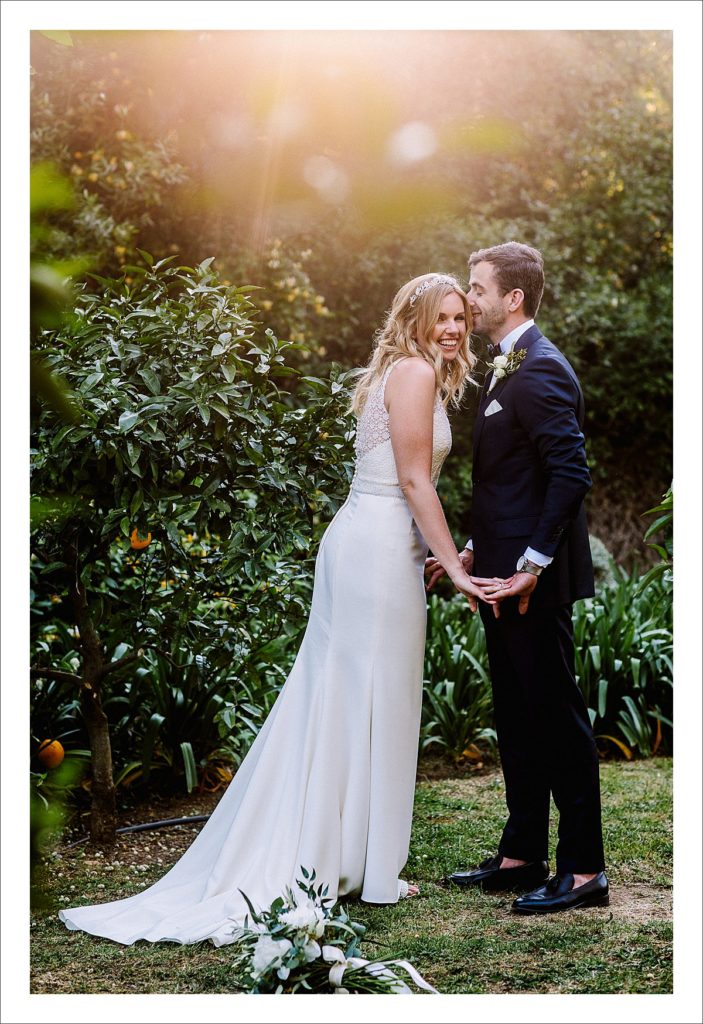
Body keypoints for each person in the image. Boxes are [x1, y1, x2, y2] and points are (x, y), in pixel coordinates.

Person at [58, 273, 491, 947]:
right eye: (442, 316)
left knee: (364, 698)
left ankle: (359, 861)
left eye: (461, 317)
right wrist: (460, 569)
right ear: (412, 319)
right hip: (375, 547)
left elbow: (408, 481)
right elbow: (411, 480)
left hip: (380, 545)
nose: (453, 329)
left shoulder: (409, 372)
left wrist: (433, 553)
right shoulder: (412, 373)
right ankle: (356, 865)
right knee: (363, 698)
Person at [426, 242, 608, 914]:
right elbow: (509, 482)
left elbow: (569, 475)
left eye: (476, 288)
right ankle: (521, 851)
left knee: (556, 718)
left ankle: (584, 868)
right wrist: (475, 547)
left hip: (531, 582)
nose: (467, 299)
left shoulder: (543, 370)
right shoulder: (506, 367)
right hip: (496, 577)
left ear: (511, 298)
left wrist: (531, 565)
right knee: (516, 715)